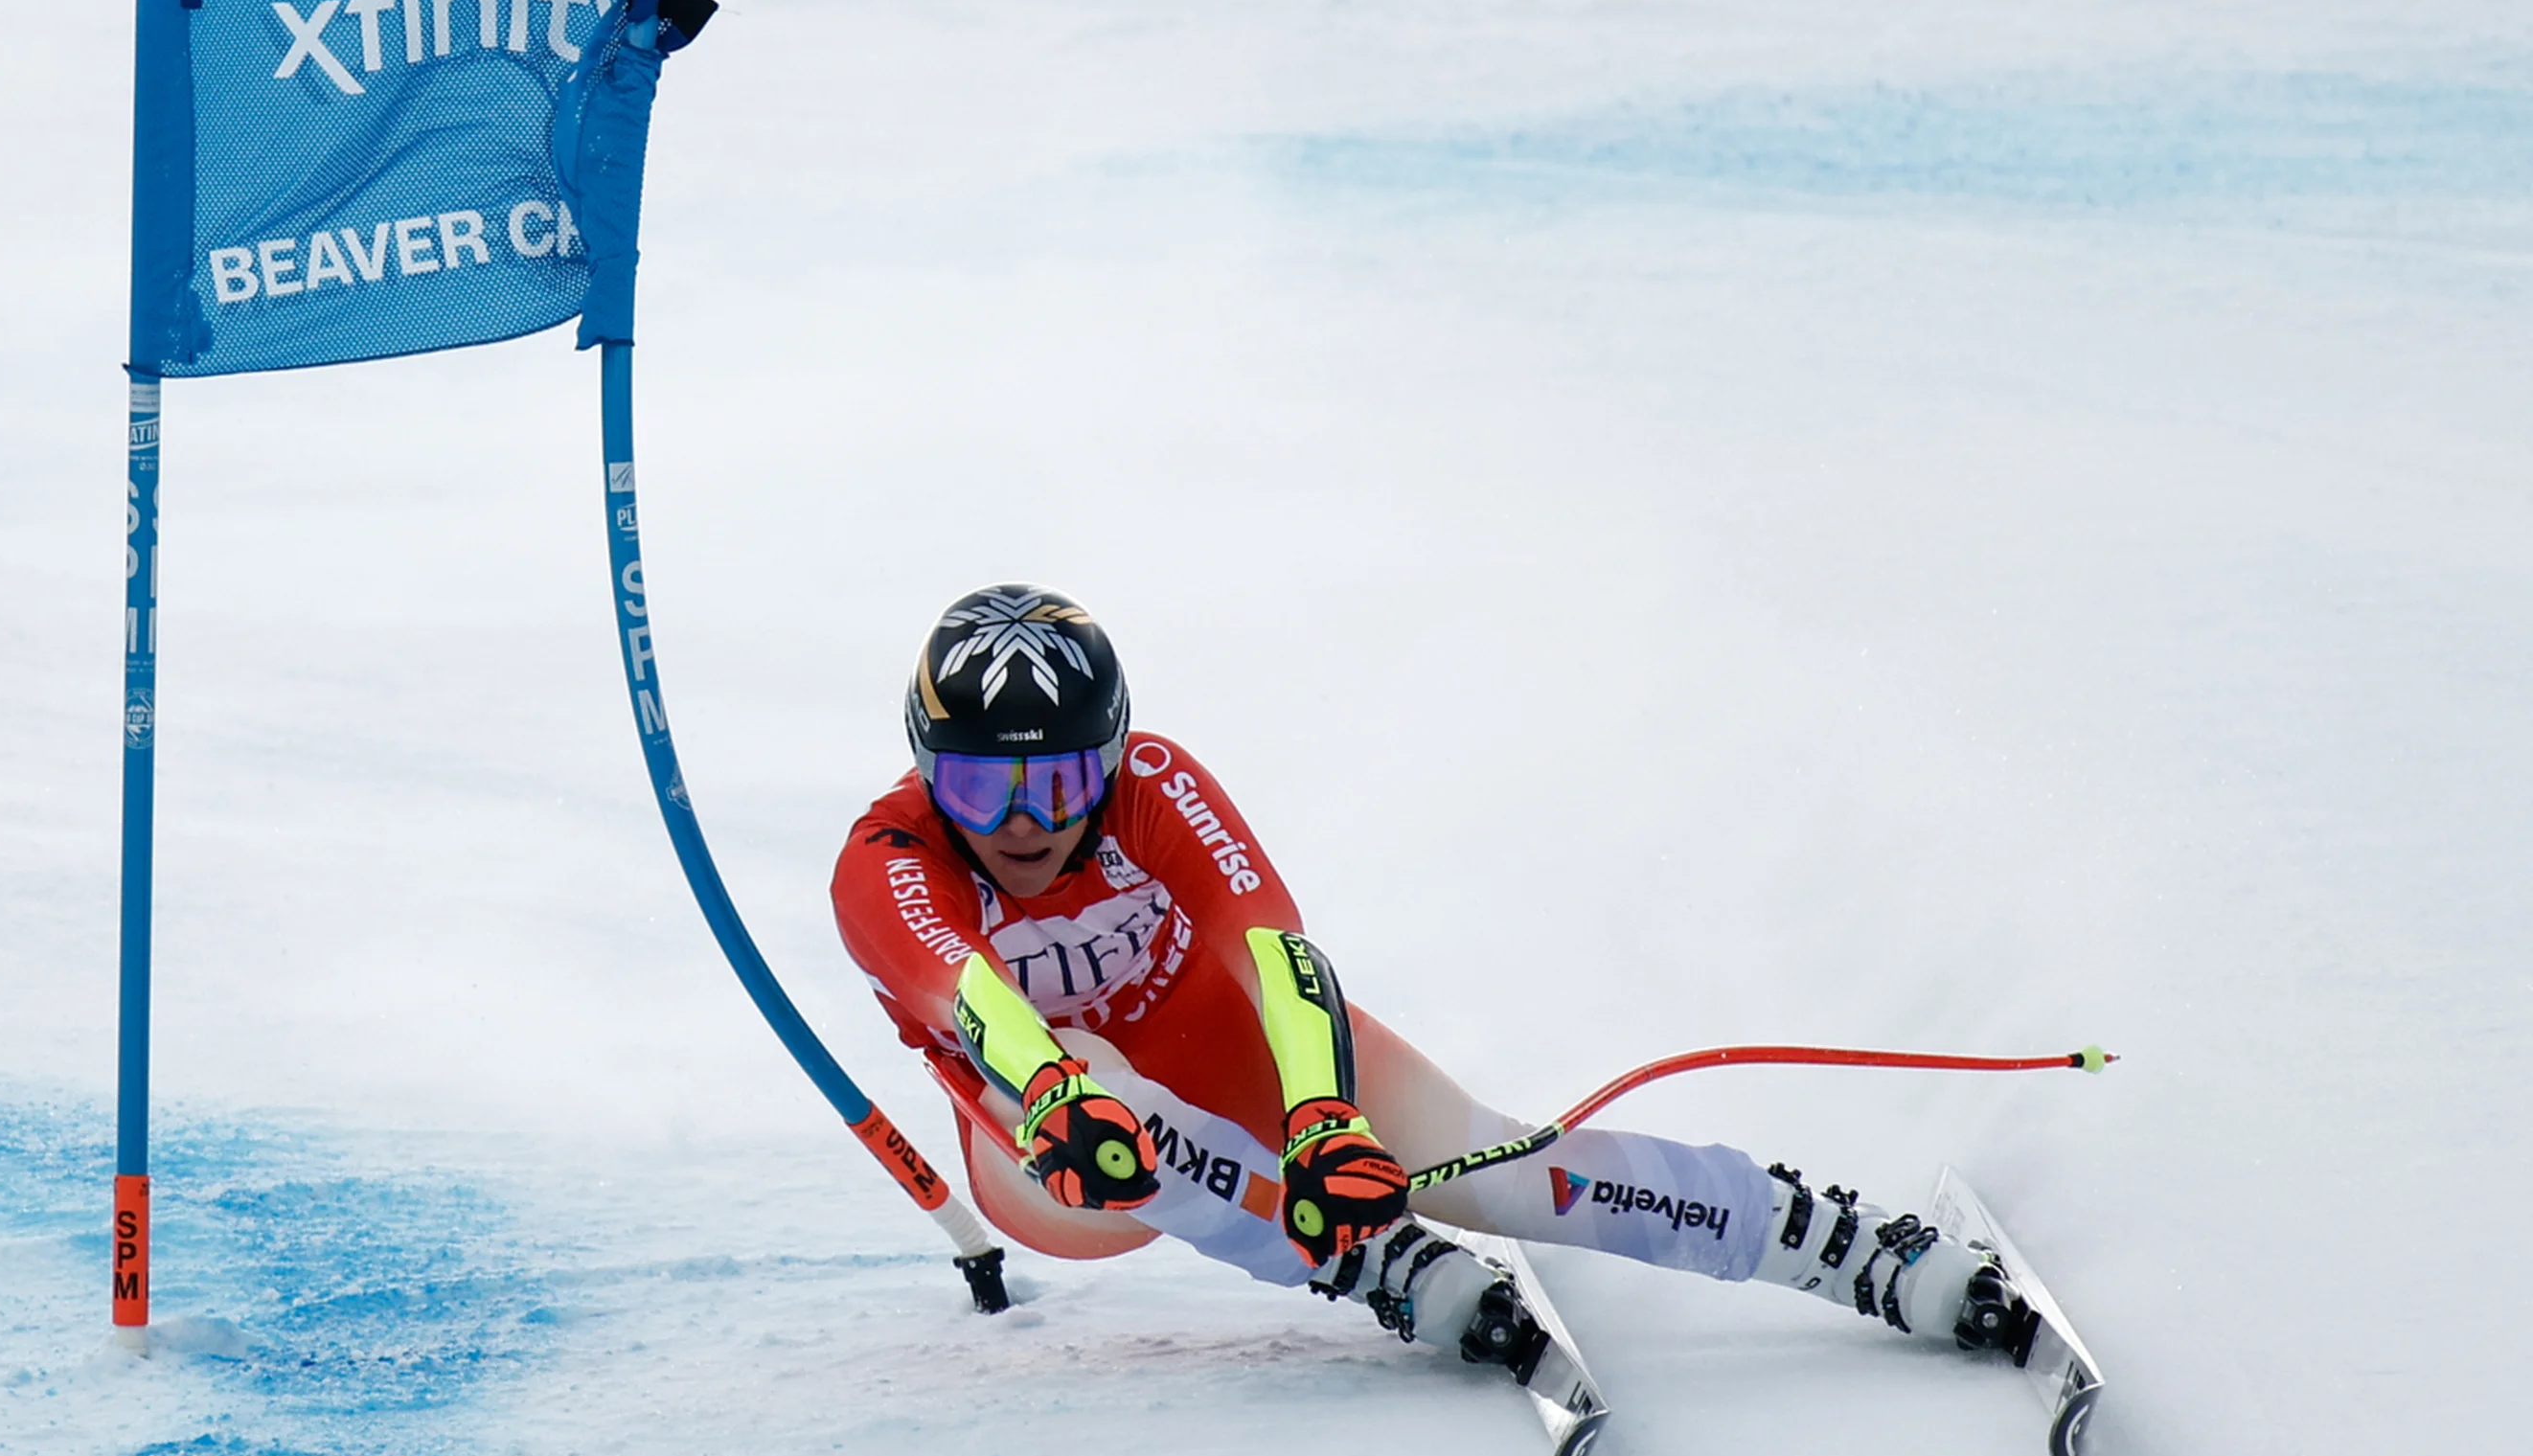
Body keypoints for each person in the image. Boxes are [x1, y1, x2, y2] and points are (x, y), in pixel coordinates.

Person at [831, 583, 2031, 1362]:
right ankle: (1377, 1261)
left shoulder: (1156, 783)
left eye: (1062, 783)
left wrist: (1322, 1117)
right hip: (1055, 1163)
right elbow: (977, 1002)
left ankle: (1846, 1248)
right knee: (1098, 1102)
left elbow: (1275, 954)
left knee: (1506, 1170)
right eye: (984, 785)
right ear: (929, 767)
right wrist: (1050, 1093)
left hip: (1224, 1057)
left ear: (1110, 760)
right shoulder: (887, 860)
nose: (1025, 824)